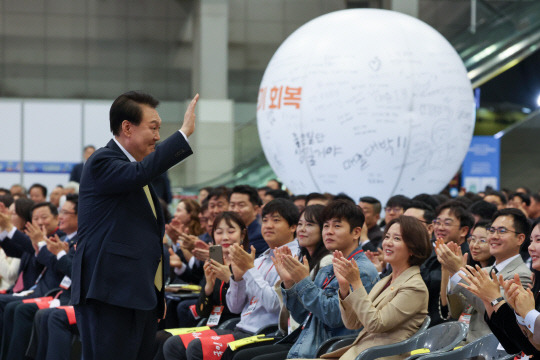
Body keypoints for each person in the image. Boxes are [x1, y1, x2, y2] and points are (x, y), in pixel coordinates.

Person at [70, 91, 199, 360]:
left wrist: (157, 294)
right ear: (127, 127)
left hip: (137, 295)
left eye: (160, 129)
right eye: (153, 128)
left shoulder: (137, 173)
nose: (157, 136)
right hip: (109, 294)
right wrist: (183, 134)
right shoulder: (103, 161)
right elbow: (140, 173)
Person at [234, 201, 379, 360]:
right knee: (242, 355)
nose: (328, 232)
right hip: (308, 343)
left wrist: (303, 280)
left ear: (356, 232)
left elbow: (334, 317)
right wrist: (289, 283)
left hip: (329, 350)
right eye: (325, 226)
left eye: (337, 226)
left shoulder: (361, 271)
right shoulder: (328, 268)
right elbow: (302, 315)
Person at [163, 198, 301, 360]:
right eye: (264, 220)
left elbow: (273, 305)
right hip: (240, 327)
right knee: (171, 343)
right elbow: (235, 307)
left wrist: (247, 270)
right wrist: (237, 280)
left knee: (196, 347)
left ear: (293, 227)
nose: (268, 225)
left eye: (276, 220)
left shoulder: (295, 258)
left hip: (266, 332)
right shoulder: (259, 260)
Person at [320, 215, 431, 360]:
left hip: (377, 356)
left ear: (413, 249)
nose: (388, 243)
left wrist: (356, 283)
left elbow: (375, 324)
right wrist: (344, 287)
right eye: (387, 237)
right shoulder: (385, 280)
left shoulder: (415, 287)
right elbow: (352, 323)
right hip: (358, 353)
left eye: (397, 239)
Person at [439, 208, 532, 340]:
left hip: (494, 349)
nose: (494, 236)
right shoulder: (484, 271)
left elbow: (497, 315)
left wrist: (460, 273)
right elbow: (456, 312)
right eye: (492, 230)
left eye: (502, 231)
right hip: (466, 343)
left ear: (520, 238)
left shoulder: (522, 275)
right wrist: (453, 272)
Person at [462, 218, 540, 357]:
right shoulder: (536, 280)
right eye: (532, 240)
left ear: (519, 238)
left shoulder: (521, 274)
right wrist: (489, 301)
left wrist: (496, 300)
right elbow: (518, 345)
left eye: (538, 240)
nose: (531, 247)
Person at [420, 200, 473, 326]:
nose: (439, 227)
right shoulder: (431, 253)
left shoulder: (469, 258)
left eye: (447, 223)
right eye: (437, 222)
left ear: (464, 231)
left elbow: (454, 308)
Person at [228, 185, 267, 257]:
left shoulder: (260, 235)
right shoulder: (229, 230)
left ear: (255, 209)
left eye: (241, 205)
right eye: (232, 205)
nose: (235, 210)